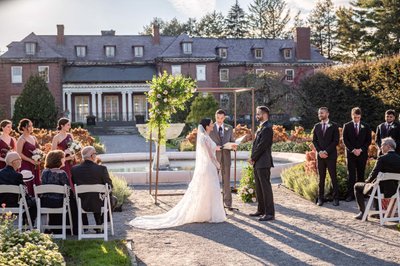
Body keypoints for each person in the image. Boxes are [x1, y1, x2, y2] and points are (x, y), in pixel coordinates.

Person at [130, 118, 226, 229]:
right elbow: (210, 154)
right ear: (206, 126)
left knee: (207, 189)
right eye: (211, 124)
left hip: (207, 167)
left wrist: (224, 147)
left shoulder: (206, 137)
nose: (213, 125)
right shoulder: (204, 138)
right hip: (209, 167)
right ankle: (210, 214)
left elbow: (213, 148)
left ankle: (206, 213)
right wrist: (217, 164)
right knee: (210, 188)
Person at [354, 137, 400, 219]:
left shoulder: (382, 158)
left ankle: (362, 213)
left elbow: (374, 174)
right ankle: (379, 213)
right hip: (394, 191)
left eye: (382, 145)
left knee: (357, 186)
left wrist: (367, 181)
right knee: (376, 184)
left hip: (381, 190)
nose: (381, 147)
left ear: (388, 146)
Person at [71, 146, 115, 226]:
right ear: (92, 156)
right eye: (95, 153)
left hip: (82, 203)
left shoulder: (74, 169)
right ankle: (101, 222)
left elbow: (74, 184)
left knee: (93, 196)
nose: (96, 155)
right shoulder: (101, 169)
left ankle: (90, 224)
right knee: (111, 198)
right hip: (99, 203)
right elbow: (110, 186)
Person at [40, 150, 78, 234]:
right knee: (73, 201)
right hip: (59, 203)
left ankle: (52, 227)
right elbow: (67, 190)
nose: (64, 159)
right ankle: (73, 229)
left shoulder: (44, 172)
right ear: (58, 160)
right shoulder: (62, 173)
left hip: (45, 202)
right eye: (63, 158)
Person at [249, 106, 275, 222]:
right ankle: (261, 210)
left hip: (263, 162)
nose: (256, 116)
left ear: (264, 114)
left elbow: (262, 145)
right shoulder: (261, 127)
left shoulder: (268, 128)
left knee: (266, 188)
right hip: (258, 162)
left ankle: (269, 213)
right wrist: (253, 158)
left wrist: (253, 158)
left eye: (258, 114)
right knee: (259, 188)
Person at [209, 109, 237, 210]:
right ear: (215, 117)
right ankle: (214, 203)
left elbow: (232, 141)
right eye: (218, 118)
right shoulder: (210, 128)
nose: (220, 120)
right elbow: (207, 144)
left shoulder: (229, 128)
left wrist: (234, 146)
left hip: (226, 157)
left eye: (221, 118)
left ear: (224, 118)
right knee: (213, 180)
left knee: (227, 181)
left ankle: (228, 204)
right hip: (214, 158)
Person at [342, 107, 371, 202]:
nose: (356, 119)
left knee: (361, 174)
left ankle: (361, 194)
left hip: (362, 154)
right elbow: (345, 140)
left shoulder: (366, 126)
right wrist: (353, 150)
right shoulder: (347, 126)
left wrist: (361, 149)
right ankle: (350, 195)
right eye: (354, 117)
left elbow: (368, 140)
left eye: (358, 117)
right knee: (351, 175)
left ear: (360, 116)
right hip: (351, 154)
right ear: (351, 116)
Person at [312, 107, 340, 207]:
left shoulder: (334, 126)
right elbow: (314, 141)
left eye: (322, 113)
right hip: (320, 156)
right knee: (321, 178)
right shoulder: (316, 126)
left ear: (327, 114)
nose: (320, 115)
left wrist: (326, 151)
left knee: (333, 177)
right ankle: (320, 198)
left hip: (331, 155)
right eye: (319, 113)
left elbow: (335, 141)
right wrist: (320, 152)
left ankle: (336, 198)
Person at [0, 152, 36, 224]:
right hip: (14, 204)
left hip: (0, 204)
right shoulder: (17, 175)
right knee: (34, 202)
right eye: (19, 159)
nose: (21, 161)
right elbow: (24, 193)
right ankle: (28, 224)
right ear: (13, 162)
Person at [16, 118, 41, 196]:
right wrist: (30, 160)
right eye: (29, 126)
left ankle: (37, 202)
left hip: (36, 164)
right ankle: (28, 202)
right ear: (23, 128)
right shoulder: (21, 139)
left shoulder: (34, 138)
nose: (31, 127)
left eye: (31, 125)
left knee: (36, 181)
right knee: (28, 184)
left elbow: (38, 149)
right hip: (26, 164)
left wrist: (40, 157)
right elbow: (19, 153)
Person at [51, 118, 76, 187]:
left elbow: (73, 147)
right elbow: (53, 153)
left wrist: (73, 154)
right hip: (63, 162)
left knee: (74, 178)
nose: (70, 127)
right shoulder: (56, 137)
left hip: (72, 161)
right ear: (62, 126)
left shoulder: (70, 135)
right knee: (66, 180)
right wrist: (64, 153)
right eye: (68, 125)